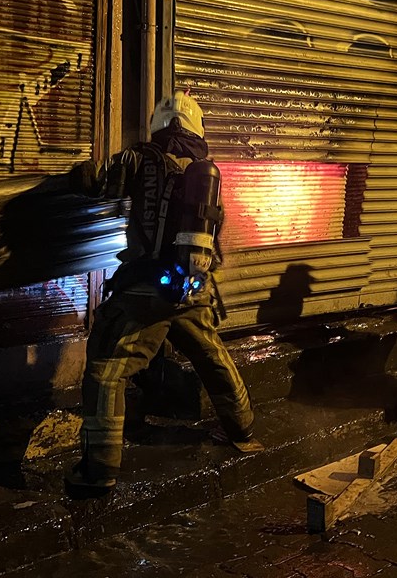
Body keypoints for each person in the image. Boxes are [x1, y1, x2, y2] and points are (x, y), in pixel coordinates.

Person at [65, 90, 261, 492]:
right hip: (193, 287)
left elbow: (94, 180)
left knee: (106, 370)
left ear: (159, 125)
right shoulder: (205, 174)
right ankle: (243, 431)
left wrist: (76, 173)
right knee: (211, 355)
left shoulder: (139, 159)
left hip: (146, 290)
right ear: (197, 129)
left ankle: (99, 471)